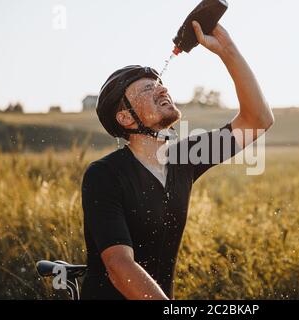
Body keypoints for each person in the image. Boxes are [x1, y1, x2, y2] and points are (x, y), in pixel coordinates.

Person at [80, 21, 274, 300]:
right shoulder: (104, 175)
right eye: (147, 89)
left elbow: (258, 119)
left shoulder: (185, 158)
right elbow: (119, 265)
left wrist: (227, 50)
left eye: (159, 85)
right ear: (125, 118)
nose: (161, 90)